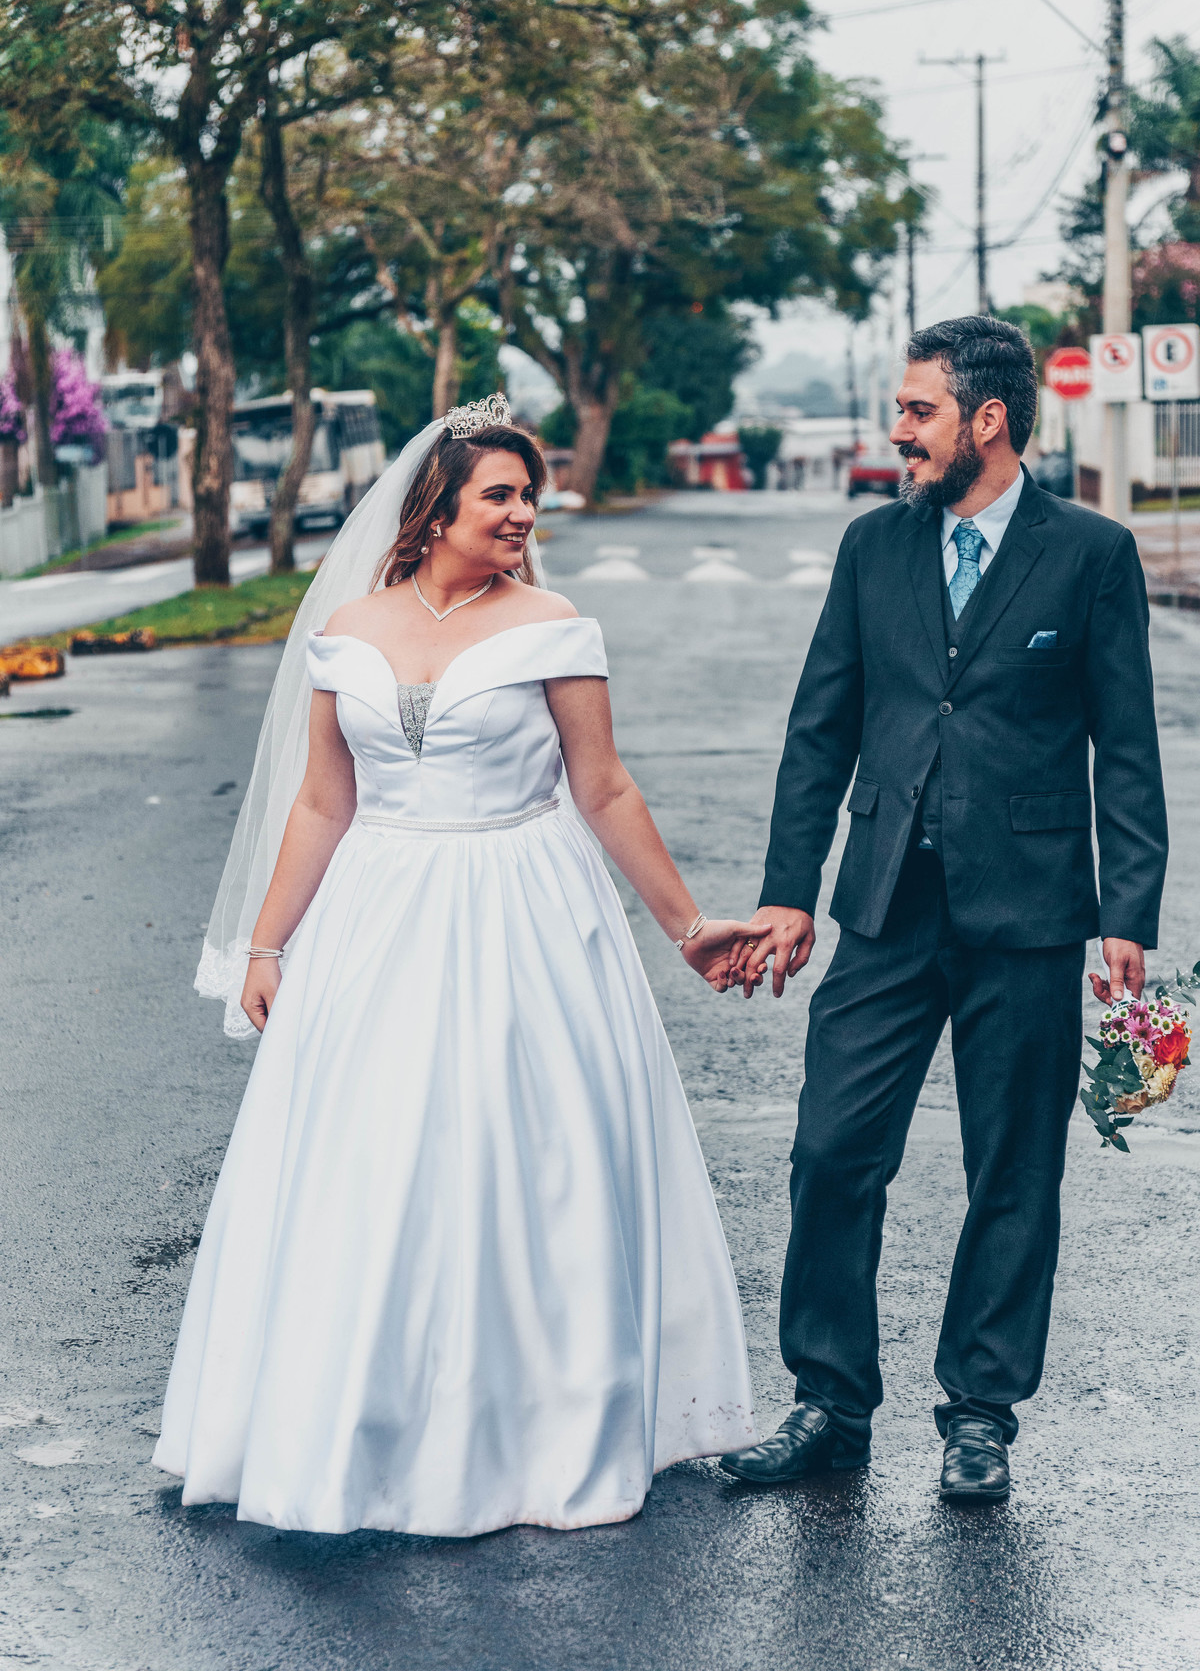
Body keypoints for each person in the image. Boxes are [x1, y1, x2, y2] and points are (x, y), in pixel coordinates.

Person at [154, 396, 762, 1537]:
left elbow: (605, 789)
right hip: (378, 914)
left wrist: (687, 929)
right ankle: (357, 1425)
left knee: (524, 1159)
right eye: (502, 494)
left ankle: (536, 1431)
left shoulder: (553, 624)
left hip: (524, 909)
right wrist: (267, 944)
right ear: (435, 507)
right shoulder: (353, 626)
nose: (524, 514)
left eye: (531, 496)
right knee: (373, 1161)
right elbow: (325, 800)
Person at [720, 316, 1168, 1503]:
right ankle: (830, 1402)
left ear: (988, 420)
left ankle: (980, 1413)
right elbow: (822, 728)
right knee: (830, 1151)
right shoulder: (873, 547)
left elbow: (1126, 746)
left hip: (1028, 912)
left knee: (1013, 1172)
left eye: (917, 411)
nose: (898, 432)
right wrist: (788, 893)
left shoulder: (1091, 555)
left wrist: (1130, 908)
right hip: (882, 906)